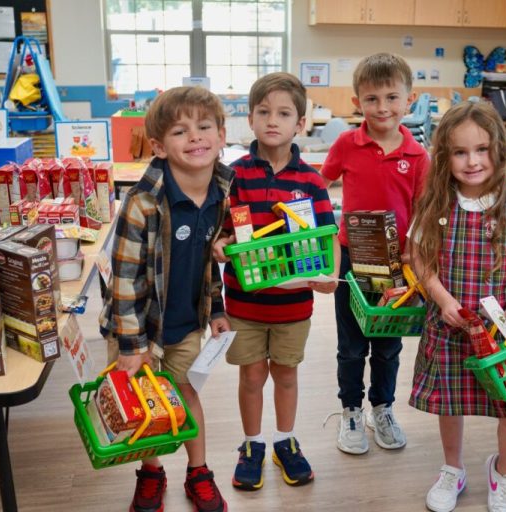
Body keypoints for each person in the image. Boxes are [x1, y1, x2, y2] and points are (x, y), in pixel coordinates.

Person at [99, 86, 232, 512]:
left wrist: (216, 309)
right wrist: (132, 346)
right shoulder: (142, 203)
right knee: (144, 404)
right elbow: (122, 281)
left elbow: (209, 264)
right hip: (135, 328)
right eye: (180, 131)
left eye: (204, 126)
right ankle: (151, 471)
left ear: (222, 134)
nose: (195, 137)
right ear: (158, 146)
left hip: (185, 324)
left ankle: (199, 472)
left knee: (186, 395)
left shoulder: (221, 194)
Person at [408, 101, 506, 512]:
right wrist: (442, 299)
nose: (472, 161)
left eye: (481, 150)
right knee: (450, 403)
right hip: (448, 327)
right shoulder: (436, 203)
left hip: (502, 334)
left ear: (498, 150)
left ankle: (504, 474)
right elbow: (420, 258)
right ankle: (453, 468)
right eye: (460, 152)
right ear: (444, 156)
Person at [212, 72, 339, 491]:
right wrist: (222, 243)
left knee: (286, 375)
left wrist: (332, 275)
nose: (273, 120)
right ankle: (252, 445)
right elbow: (223, 229)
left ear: (300, 123)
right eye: (263, 112)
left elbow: (327, 233)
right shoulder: (234, 176)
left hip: (293, 305)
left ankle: (285, 440)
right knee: (251, 377)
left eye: (284, 113)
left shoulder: (310, 180)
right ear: (249, 119)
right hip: (246, 304)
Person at [321, 53, 429, 455]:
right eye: (371, 99)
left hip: (396, 267)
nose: (382, 107)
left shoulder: (419, 158)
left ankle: (381, 408)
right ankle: (351, 409)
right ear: (356, 103)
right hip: (351, 260)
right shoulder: (347, 143)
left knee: (387, 345)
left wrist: (413, 262)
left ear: (409, 100)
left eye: (391, 97)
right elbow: (320, 184)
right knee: (350, 344)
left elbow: (422, 214)